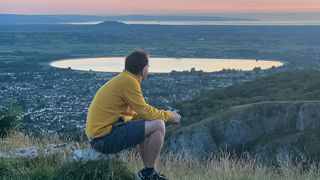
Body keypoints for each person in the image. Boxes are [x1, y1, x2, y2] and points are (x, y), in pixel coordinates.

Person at [85, 50, 181, 180]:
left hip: (100, 137)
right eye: (147, 66)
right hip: (103, 139)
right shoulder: (129, 82)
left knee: (147, 124)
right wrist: (170, 116)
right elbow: (145, 111)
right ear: (142, 70)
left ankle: (148, 171)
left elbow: (137, 114)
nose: (148, 69)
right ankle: (148, 173)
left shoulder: (124, 79)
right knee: (159, 125)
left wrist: (154, 115)